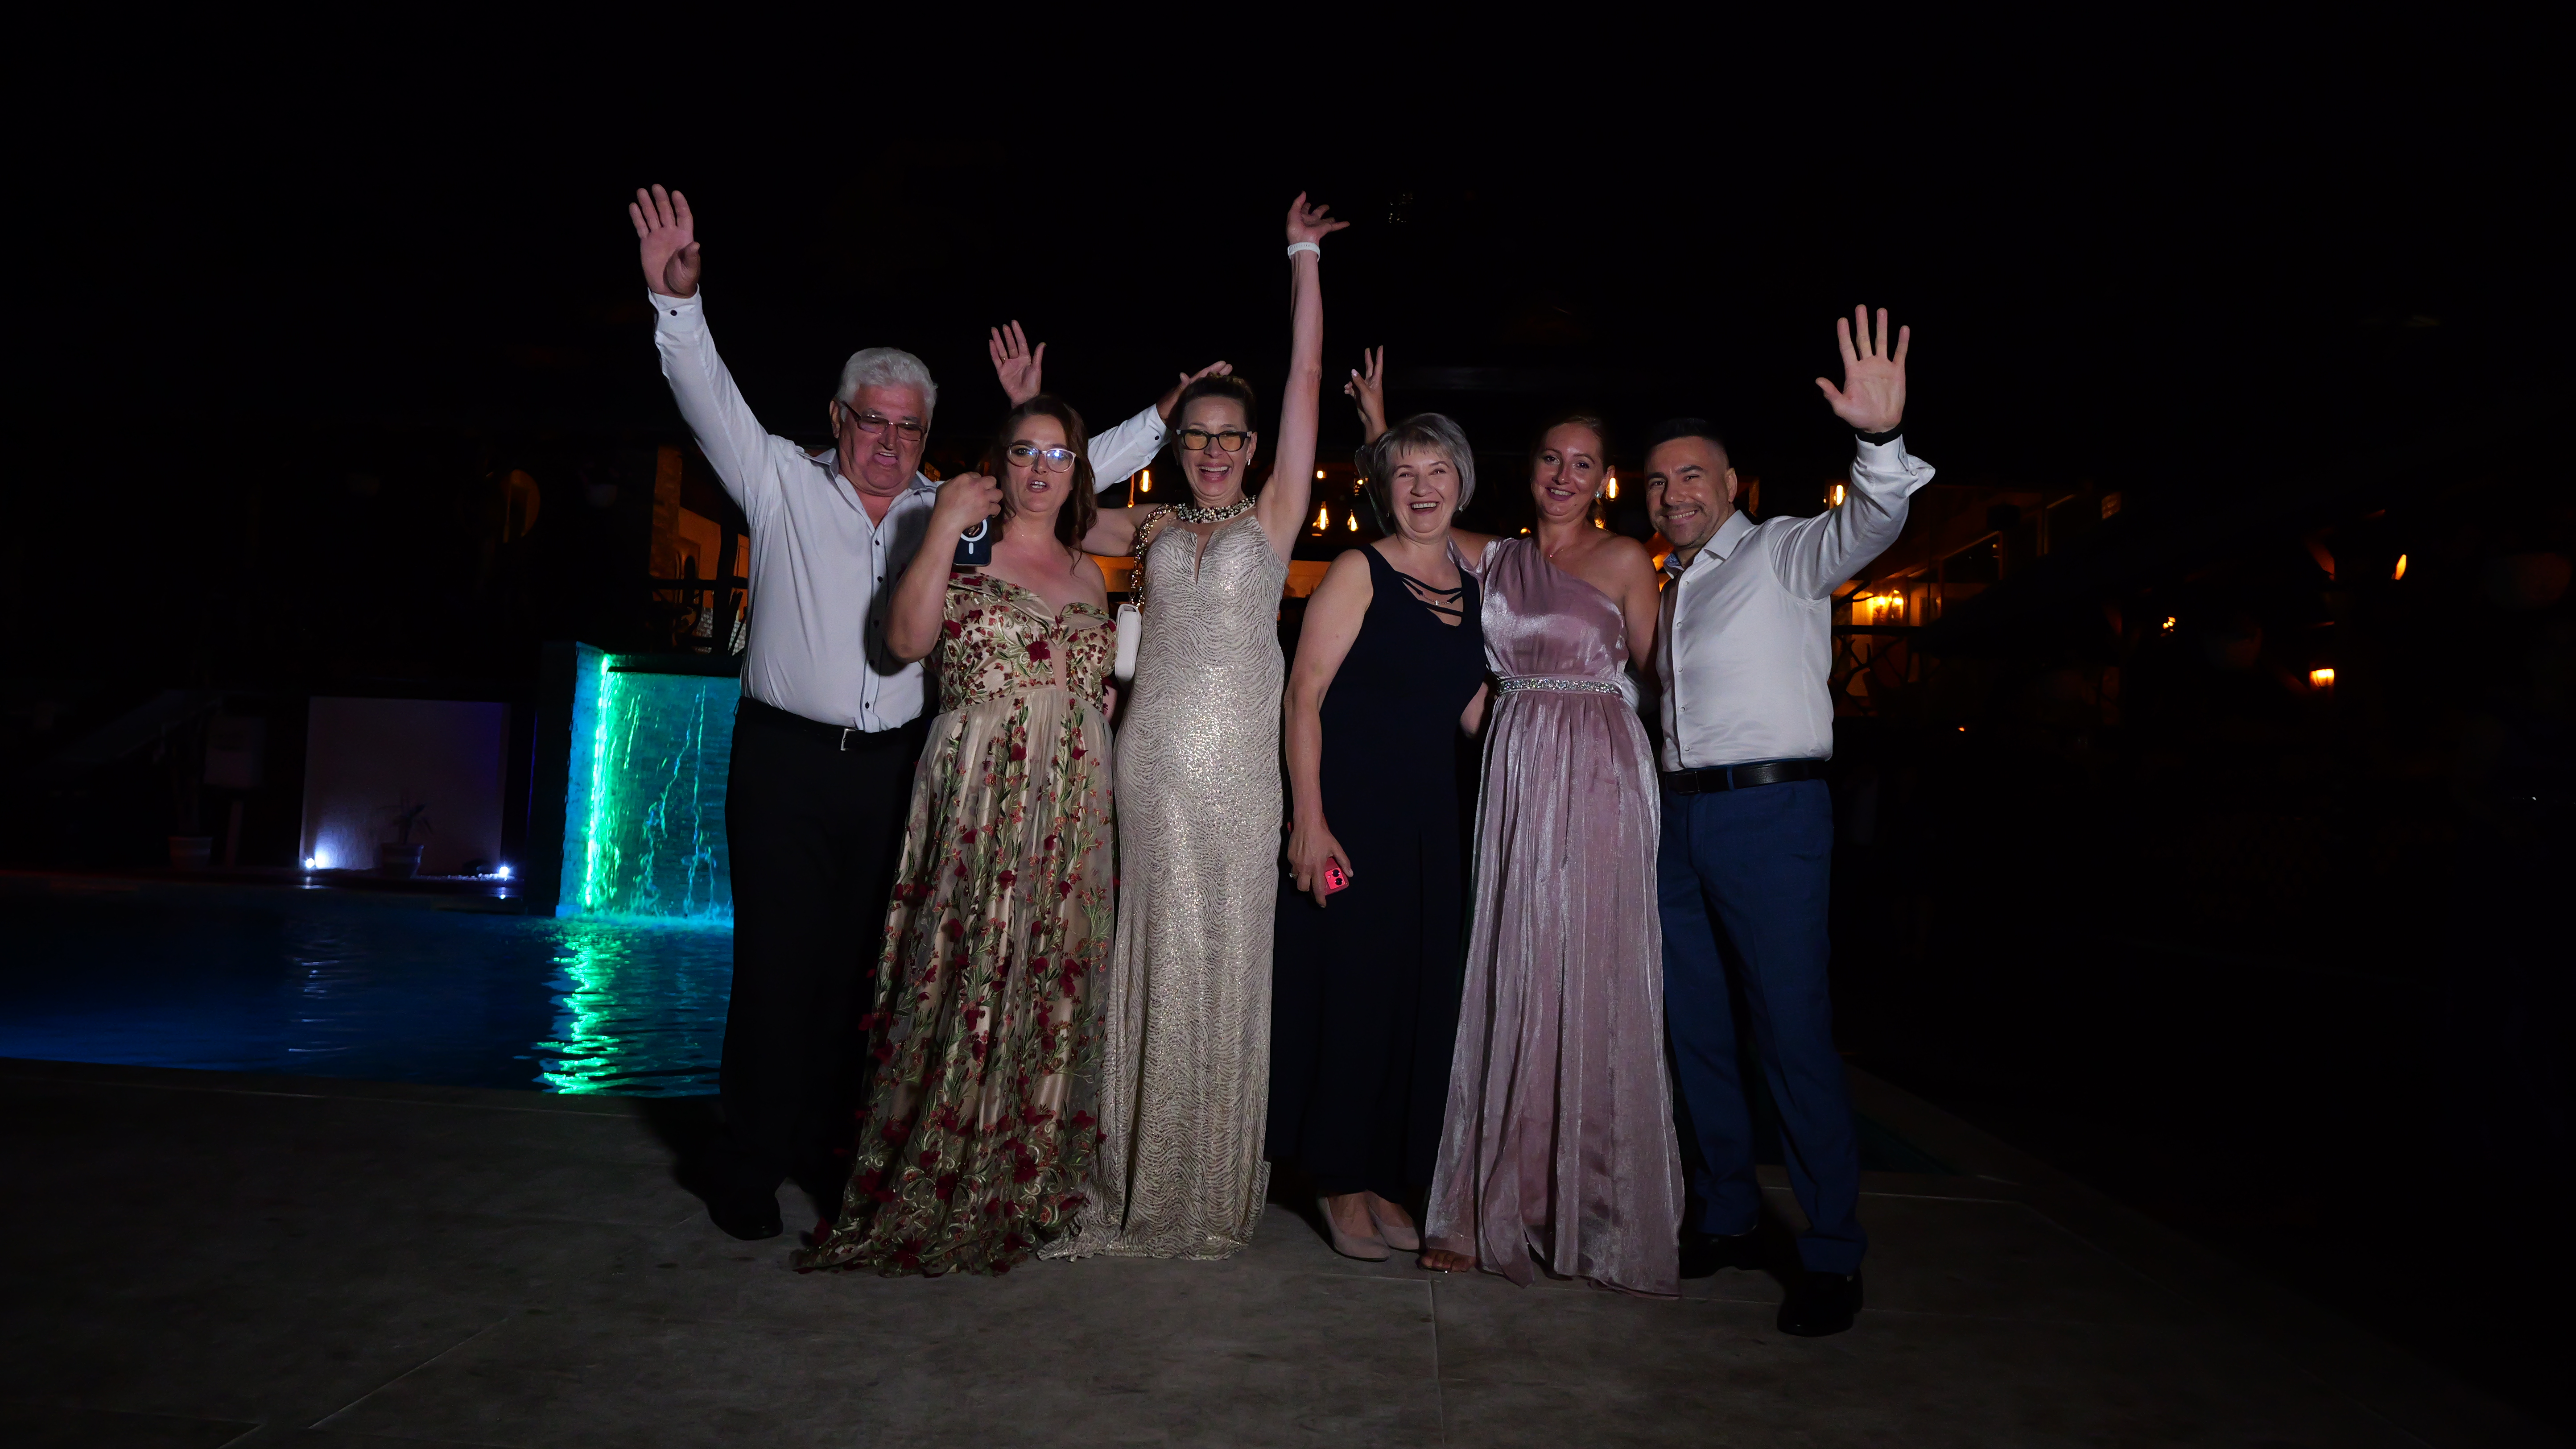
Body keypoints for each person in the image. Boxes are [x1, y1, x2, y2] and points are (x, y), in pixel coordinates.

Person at [629, 186, 1169, 1241]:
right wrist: (676, 304)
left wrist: (1155, 416)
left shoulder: (949, 509)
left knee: (869, 971)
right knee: (774, 967)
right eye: (870, 421)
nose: (887, 441)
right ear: (838, 419)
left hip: (898, 769)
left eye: (907, 426)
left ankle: (836, 1154)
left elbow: (1059, 472)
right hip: (785, 763)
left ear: (927, 432)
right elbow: (706, 396)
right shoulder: (778, 479)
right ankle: (747, 1163)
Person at [1044, 194, 1346, 1261]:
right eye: (1195, 436)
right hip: (1151, 764)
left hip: (1243, 775)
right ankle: (1132, 1173)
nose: (1213, 451)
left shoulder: (1276, 516)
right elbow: (1055, 497)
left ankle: (1208, 1181)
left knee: (1227, 957)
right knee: (1150, 953)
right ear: (1174, 444)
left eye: (1229, 437)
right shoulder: (1148, 524)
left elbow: (1306, 376)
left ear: (1253, 447)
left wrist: (1301, 258)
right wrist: (1063, 410)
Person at [1647, 306, 1933, 1335]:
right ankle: (1726, 1215)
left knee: (1790, 1031)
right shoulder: (1670, 586)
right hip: (1677, 823)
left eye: (1692, 476)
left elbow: (1872, 521)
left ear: (1730, 485)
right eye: (1657, 482)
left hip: (1770, 816)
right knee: (1696, 1031)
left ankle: (1830, 1250)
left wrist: (1879, 440)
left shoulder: (1782, 552)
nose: (1673, 494)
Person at [793, 397, 1119, 1275]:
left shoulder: (1091, 573)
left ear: (1077, 473)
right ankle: (943, 1171)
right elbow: (904, 641)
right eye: (1025, 452)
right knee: (970, 962)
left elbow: (1095, 688)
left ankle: (1029, 1176)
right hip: (982, 790)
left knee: (1050, 973)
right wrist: (942, 524)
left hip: (1074, 802)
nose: (1042, 469)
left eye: (1060, 455)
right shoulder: (964, 546)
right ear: (998, 463)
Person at [1413, 408, 1686, 1293]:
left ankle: (1596, 1206)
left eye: (1583, 464)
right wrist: (1384, 433)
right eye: (1550, 460)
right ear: (1529, 469)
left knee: (1591, 963)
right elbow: (1415, 510)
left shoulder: (1626, 559)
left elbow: (1666, 682)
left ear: (1604, 479)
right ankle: (1493, 1195)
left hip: (1602, 769)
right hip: (1516, 767)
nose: (1564, 476)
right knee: (1515, 961)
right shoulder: (1497, 558)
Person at [1271, 413, 1491, 1261]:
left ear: (1461, 485)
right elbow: (1304, 695)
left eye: (1438, 472)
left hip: (1432, 827)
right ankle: (1336, 1178)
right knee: (1352, 995)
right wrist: (1310, 820)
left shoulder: (1473, 587)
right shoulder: (1358, 569)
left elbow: (1472, 712)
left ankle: (1384, 1173)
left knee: (1414, 1000)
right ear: (1383, 490)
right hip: (1352, 819)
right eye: (1406, 474)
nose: (1423, 488)